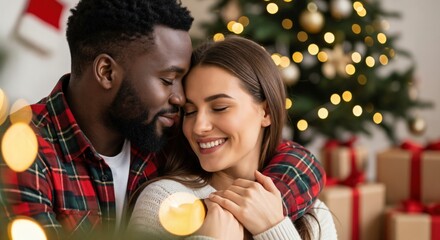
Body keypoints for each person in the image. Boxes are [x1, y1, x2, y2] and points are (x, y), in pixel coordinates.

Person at [0, 0, 325, 239]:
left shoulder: (158, 131)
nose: (182, 101)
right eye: (168, 80)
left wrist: (261, 209)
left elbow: (299, 160)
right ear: (106, 72)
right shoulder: (21, 154)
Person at [128, 36, 337, 239]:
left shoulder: (315, 214)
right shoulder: (166, 201)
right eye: (190, 111)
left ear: (266, 113)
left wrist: (274, 227)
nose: (199, 127)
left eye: (220, 107)